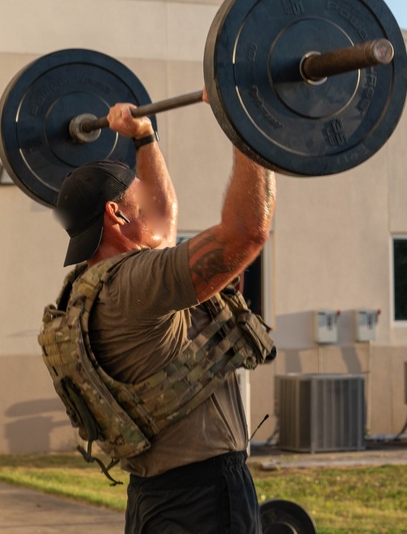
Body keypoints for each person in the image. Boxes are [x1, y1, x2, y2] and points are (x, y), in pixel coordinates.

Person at [49, 96, 276, 534]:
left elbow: (161, 220)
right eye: (138, 199)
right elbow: (248, 232)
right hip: (204, 500)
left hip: (154, 499)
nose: (150, 206)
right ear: (115, 214)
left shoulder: (92, 286)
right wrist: (249, 127)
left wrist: (144, 138)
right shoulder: (138, 281)